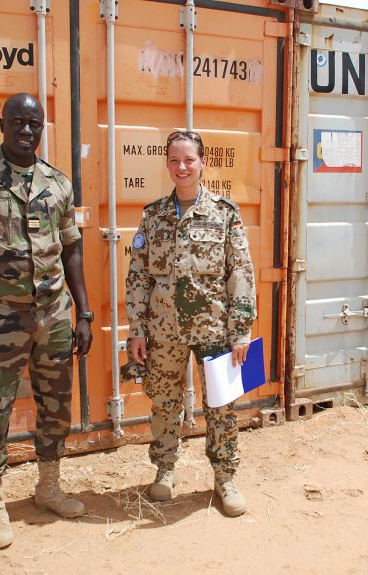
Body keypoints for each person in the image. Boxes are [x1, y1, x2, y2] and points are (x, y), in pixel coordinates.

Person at [0, 92, 93, 549]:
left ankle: (48, 487)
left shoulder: (58, 183)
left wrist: (83, 310)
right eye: (19, 122)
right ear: (2, 123)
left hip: (54, 314)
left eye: (35, 124)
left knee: (55, 405)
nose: (27, 131)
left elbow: (72, 249)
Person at [124, 130, 256, 517]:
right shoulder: (153, 215)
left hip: (214, 329)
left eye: (189, 160)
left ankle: (225, 477)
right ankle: (165, 470)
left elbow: (241, 274)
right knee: (164, 403)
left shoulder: (225, 213)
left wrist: (241, 331)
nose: (181, 167)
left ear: (203, 163)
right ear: (167, 164)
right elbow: (138, 276)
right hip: (163, 331)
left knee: (221, 407)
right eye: (174, 160)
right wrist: (137, 328)